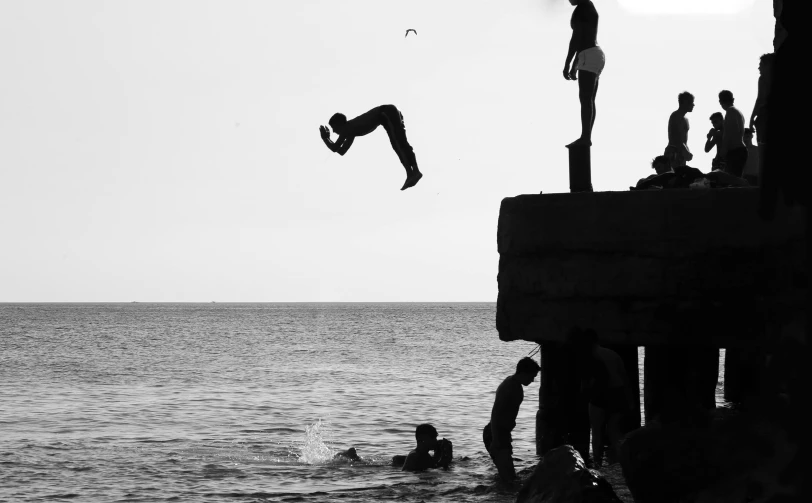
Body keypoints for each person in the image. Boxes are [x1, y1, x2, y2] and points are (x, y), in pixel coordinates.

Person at [567, 328, 634, 468]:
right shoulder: (612, 354)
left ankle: (597, 463)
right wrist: (630, 400)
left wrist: (584, 394)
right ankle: (621, 462)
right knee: (615, 432)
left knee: (597, 432)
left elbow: (587, 380)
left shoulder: (589, 355)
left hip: (599, 395)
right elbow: (625, 378)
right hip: (617, 393)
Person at [319, 104, 423, 190]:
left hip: (386, 112)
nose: (334, 131)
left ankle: (413, 172)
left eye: (334, 127)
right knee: (398, 145)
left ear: (340, 124)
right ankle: (411, 173)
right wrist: (327, 139)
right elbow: (341, 151)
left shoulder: (347, 128)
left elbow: (335, 147)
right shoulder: (350, 131)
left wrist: (325, 138)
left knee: (399, 143)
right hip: (387, 115)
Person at [483, 357, 540, 482]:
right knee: (509, 480)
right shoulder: (511, 387)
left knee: (507, 478)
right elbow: (496, 414)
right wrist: (496, 440)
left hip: (500, 433)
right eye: (532, 376)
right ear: (523, 373)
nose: (532, 380)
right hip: (496, 433)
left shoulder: (512, 382)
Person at [563, 0, 604, 148]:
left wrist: (568, 62)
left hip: (588, 53)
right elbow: (583, 37)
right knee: (589, 100)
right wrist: (576, 64)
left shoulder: (582, 8)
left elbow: (576, 39)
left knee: (585, 99)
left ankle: (585, 137)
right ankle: (586, 137)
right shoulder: (589, 6)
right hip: (595, 54)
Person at [749, 53, 774, 185]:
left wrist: (752, 117)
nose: (759, 68)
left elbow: (760, 99)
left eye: (761, 65)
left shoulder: (763, 78)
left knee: (763, 151)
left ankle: (763, 183)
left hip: (765, 116)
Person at [718, 90, 748, 177]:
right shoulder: (738, 112)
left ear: (720, 102)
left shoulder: (730, 112)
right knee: (736, 179)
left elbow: (728, 134)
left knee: (732, 181)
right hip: (740, 150)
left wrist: (723, 151)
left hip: (735, 152)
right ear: (733, 99)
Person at [664, 92, 695, 167]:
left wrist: (686, 151)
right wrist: (686, 152)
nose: (693, 105)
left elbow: (683, 140)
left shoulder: (684, 118)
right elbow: (677, 138)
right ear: (685, 102)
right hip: (674, 153)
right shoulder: (676, 116)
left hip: (680, 153)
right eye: (691, 102)